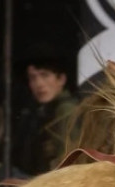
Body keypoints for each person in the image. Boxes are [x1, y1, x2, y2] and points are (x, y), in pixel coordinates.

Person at [13, 45, 78, 175]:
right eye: (33, 77)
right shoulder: (42, 113)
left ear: (61, 79)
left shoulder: (66, 110)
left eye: (45, 75)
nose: (39, 84)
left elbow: (70, 161)